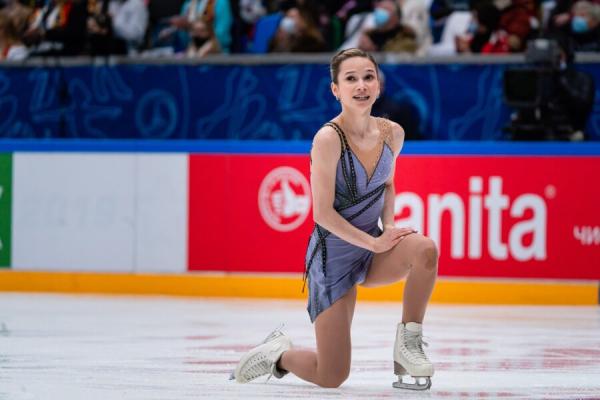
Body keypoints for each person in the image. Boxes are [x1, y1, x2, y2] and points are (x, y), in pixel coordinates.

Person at [231, 48, 439, 390]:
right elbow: (322, 213)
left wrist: (388, 227)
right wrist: (374, 241)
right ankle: (278, 355)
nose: (361, 85)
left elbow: (387, 185)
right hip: (333, 262)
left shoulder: (393, 134)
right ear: (335, 90)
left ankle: (408, 346)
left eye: (368, 77)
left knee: (425, 250)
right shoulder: (328, 139)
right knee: (332, 375)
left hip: (371, 250)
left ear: (378, 84)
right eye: (351, 79)